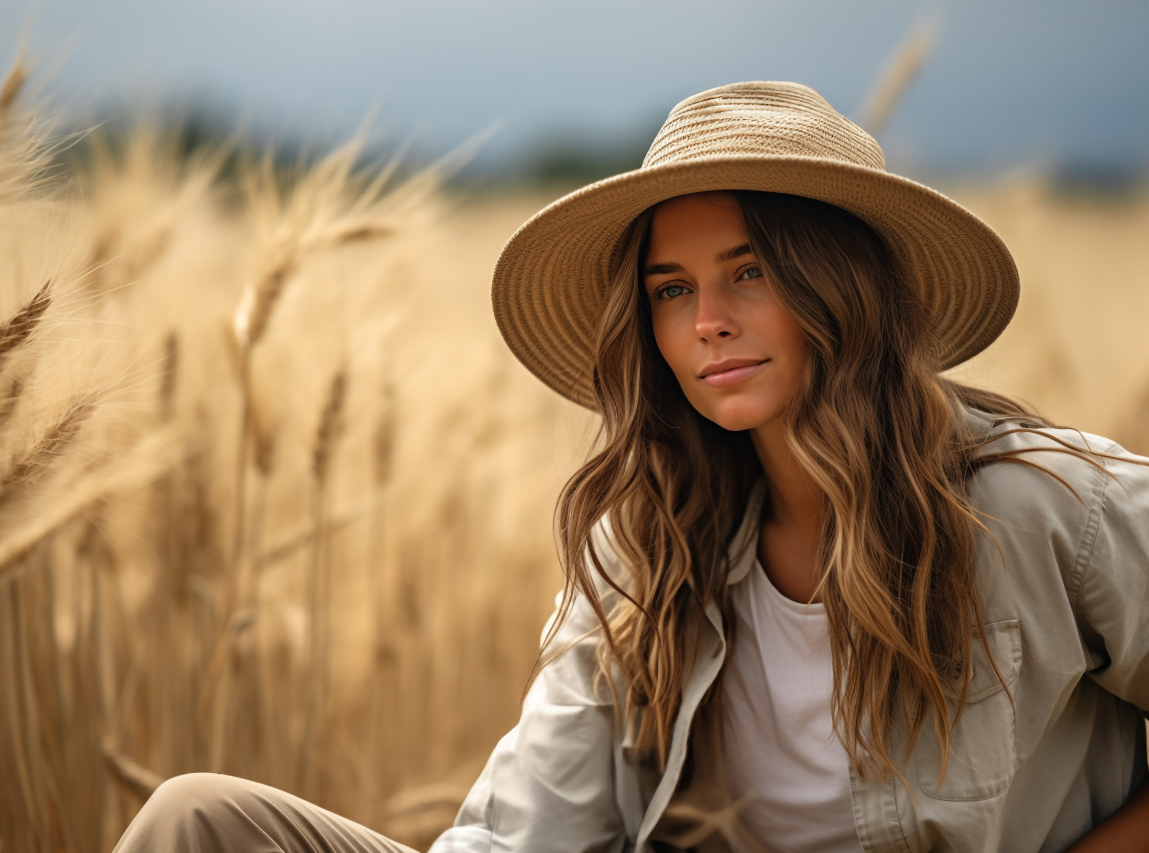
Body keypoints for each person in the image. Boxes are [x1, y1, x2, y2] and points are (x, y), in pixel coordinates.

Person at [113, 82, 1149, 852]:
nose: (705, 322)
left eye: (749, 272)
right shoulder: (647, 542)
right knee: (195, 821)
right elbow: (527, 830)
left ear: (837, 286)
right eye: (668, 289)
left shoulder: (1037, 506)